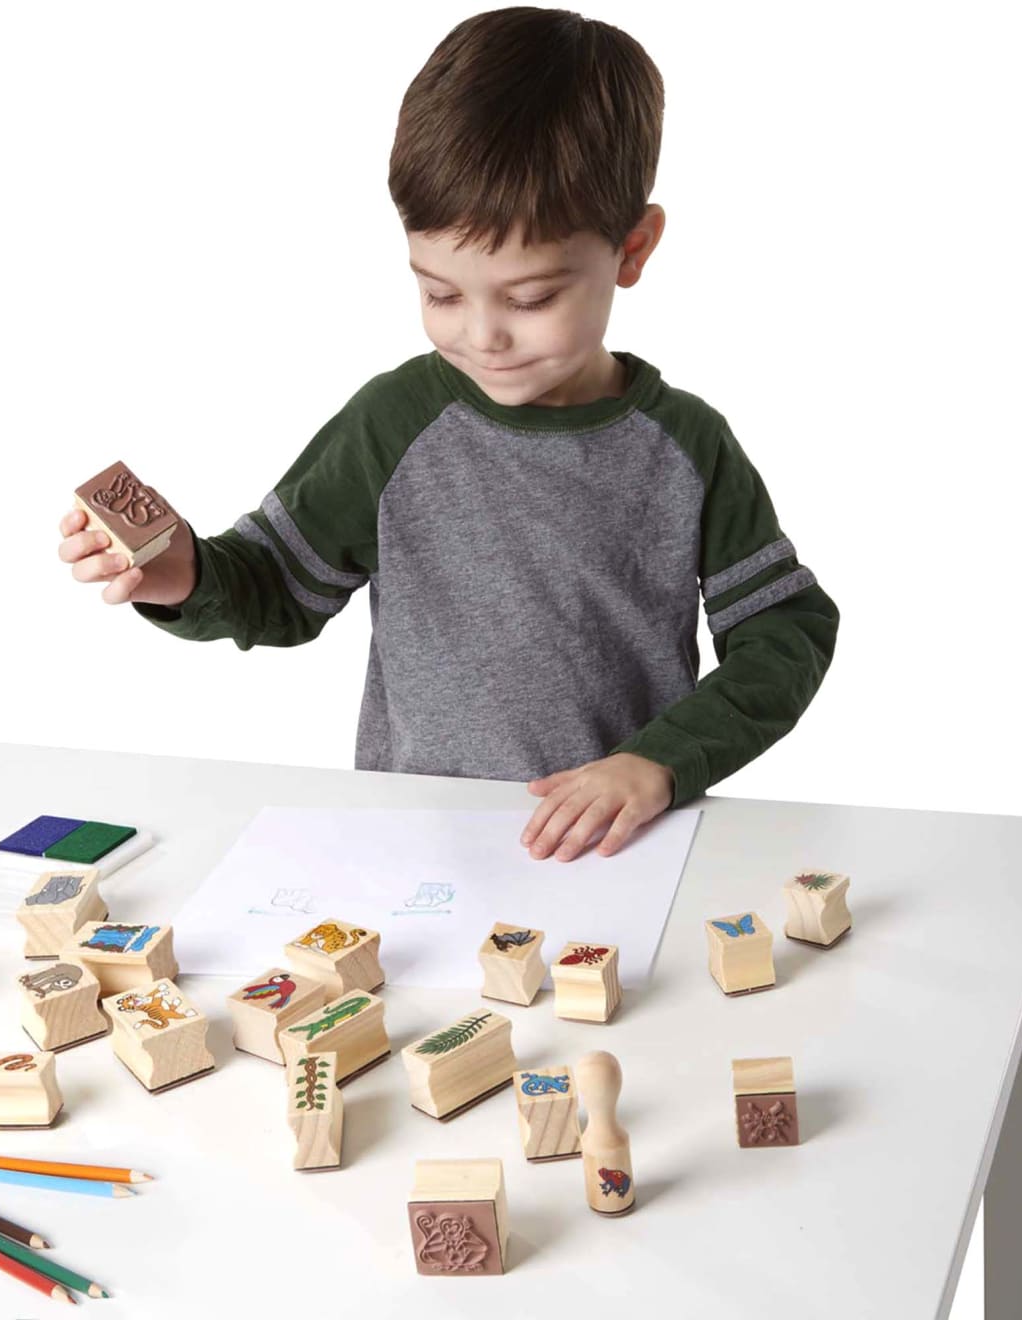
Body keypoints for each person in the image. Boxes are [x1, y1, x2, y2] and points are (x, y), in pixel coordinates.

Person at [57, 6, 838, 863]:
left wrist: (661, 761)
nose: (483, 335)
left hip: (623, 851)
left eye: (531, 298)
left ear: (633, 248)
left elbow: (784, 633)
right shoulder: (394, 423)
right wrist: (182, 574)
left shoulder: (687, 446)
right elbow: (275, 586)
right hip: (418, 848)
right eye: (440, 293)